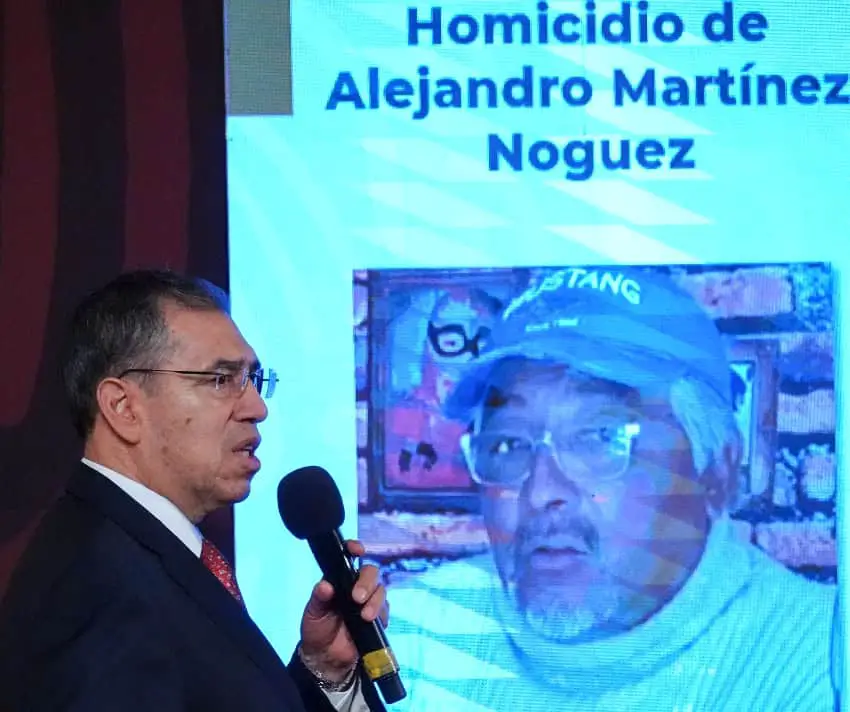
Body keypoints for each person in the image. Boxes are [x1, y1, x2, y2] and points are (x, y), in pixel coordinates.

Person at [390, 266, 840, 711]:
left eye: (600, 438)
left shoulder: (822, 655)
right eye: (508, 444)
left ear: (717, 474)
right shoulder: (411, 642)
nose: (541, 491)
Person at [0, 269, 390, 712]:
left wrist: (325, 667)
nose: (257, 408)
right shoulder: (95, 591)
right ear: (123, 407)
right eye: (220, 380)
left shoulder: (144, 552)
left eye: (253, 380)